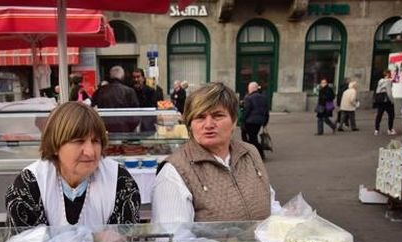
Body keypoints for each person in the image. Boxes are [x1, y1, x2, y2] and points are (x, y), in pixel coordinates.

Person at [5, 101, 140, 233]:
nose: (90, 152)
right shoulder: (28, 186)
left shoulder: (120, 182)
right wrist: (94, 240)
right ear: (56, 145)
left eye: (95, 141)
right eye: (78, 141)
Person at [152, 82, 272, 223]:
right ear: (190, 124)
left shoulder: (250, 153)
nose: (208, 125)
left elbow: (271, 202)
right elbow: (175, 239)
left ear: (234, 121)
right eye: (200, 117)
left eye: (218, 115)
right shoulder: (174, 172)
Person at [91, 65, 140, 132]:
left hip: (104, 130)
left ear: (110, 76)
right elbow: (136, 115)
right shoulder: (129, 91)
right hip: (124, 130)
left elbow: (92, 111)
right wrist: (129, 129)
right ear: (123, 77)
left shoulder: (100, 91)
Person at [242, 81, 270, 159]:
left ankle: (258, 154)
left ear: (251, 88)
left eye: (248, 88)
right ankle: (253, 153)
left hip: (250, 121)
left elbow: (246, 110)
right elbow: (266, 111)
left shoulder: (249, 98)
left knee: (251, 138)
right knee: (252, 137)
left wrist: (243, 120)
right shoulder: (263, 97)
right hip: (259, 122)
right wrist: (265, 122)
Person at [374, 70, 396, 136]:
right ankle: (390, 129)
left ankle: (376, 130)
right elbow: (389, 93)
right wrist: (392, 101)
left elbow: (378, 91)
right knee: (391, 115)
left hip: (380, 100)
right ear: (388, 74)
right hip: (386, 101)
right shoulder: (388, 81)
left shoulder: (380, 81)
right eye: (390, 74)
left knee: (379, 115)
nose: (391, 75)